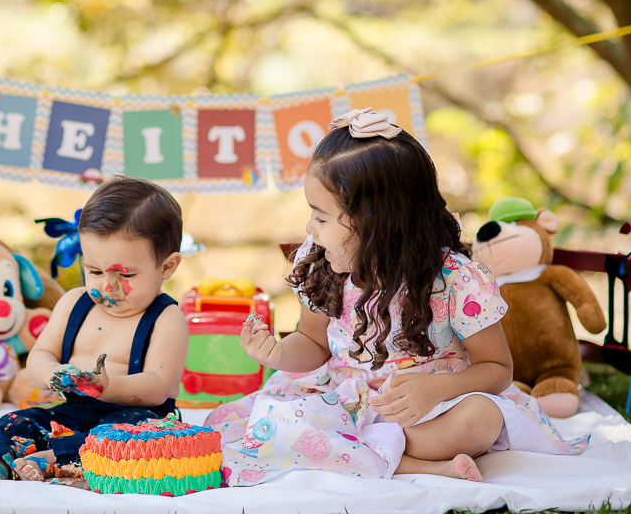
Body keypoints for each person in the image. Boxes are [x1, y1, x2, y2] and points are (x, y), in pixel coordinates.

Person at [206, 108, 585, 486]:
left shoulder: (455, 279)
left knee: (481, 420)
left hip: (433, 408)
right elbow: (312, 343)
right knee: (274, 418)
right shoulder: (323, 262)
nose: (310, 228)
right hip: (348, 405)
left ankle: (361, 452)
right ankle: (417, 464)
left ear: (377, 223)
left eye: (321, 217)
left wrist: (436, 389)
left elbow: (498, 369)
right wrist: (278, 353)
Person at [0, 176, 189, 482]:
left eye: (126, 274)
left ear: (167, 266)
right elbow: (41, 353)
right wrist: (49, 374)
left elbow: (157, 387)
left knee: (135, 438)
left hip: (137, 418)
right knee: (16, 420)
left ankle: (54, 458)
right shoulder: (74, 303)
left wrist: (107, 388)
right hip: (72, 414)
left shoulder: (167, 317)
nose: (108, 285)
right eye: (94, 271)